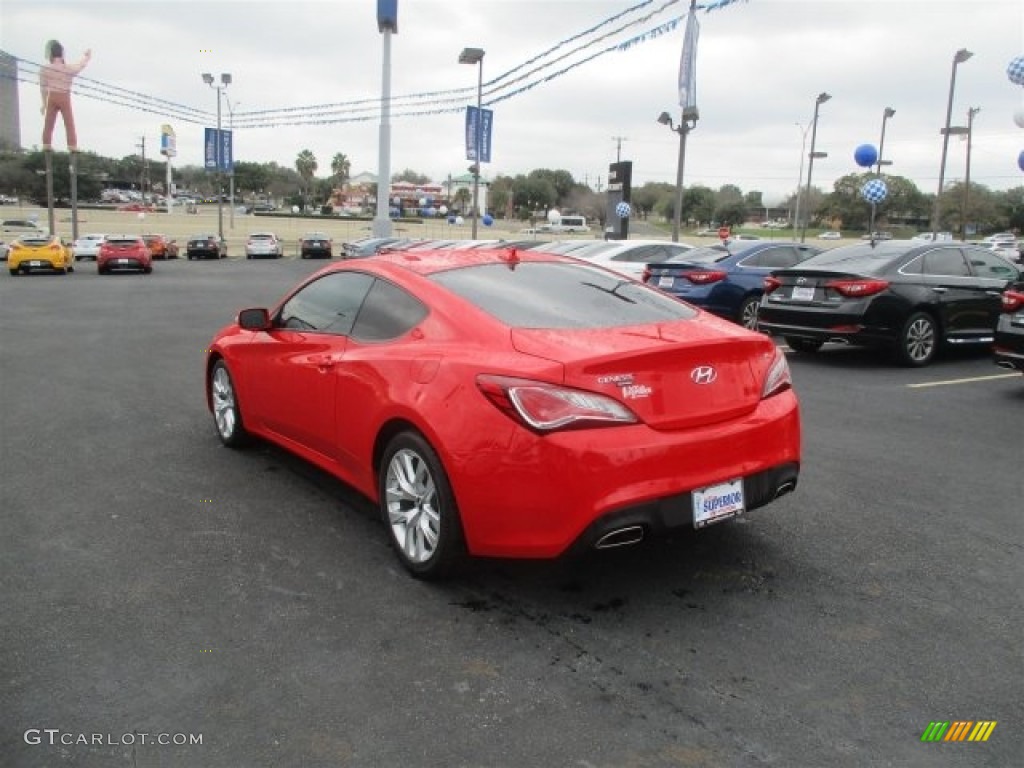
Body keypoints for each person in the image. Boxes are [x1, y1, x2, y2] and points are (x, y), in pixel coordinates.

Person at [39, 40, 91, 152]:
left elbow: (43, 88)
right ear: (62, 54)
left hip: (52, 96)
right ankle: (72, 146)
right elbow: (79, 66)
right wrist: (86, 57)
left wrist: (44, 104)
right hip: (64, 96)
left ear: (51, 54)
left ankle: (46, 144)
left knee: (48, 123)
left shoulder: (45, 69)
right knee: (69, 123)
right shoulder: (67, 68)